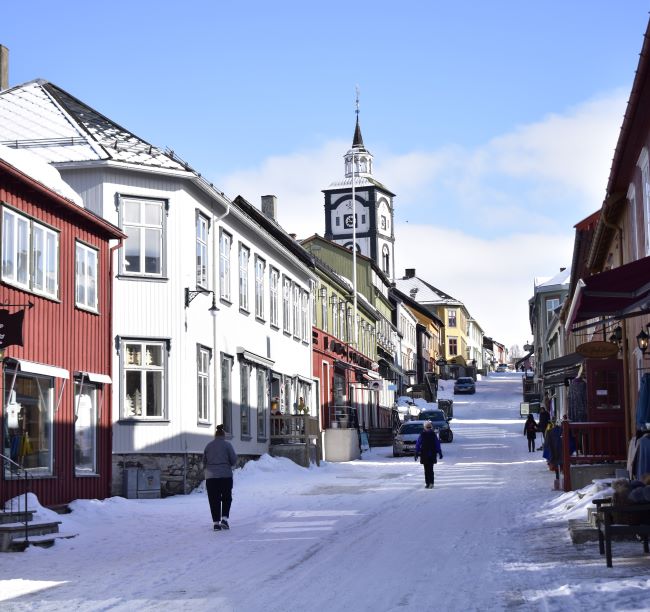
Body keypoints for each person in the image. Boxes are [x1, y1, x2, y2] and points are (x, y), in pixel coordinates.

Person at [203, 424, 238, 531]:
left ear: (215, 435)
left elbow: (204, 461)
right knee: (226, 497)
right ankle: (224, 519)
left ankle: (216, 523)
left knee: (214, 499)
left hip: (211, 478)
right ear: (223, 435)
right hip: (225, 476)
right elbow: (233, 460)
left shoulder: (208, 446)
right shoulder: (228, 445)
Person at [414, 420, 443, 489]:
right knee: (427, 470)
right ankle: (428, 483)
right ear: (425, 427)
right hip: (425, 454)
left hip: (430, 454)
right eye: (427, 427)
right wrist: (416, 453)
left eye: (429, 427)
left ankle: (430, 483)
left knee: (429, 469)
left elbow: (437, 444)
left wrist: (439, 452)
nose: (428, 428)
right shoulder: (423, 435)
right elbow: (418, 444)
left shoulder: (432, 435)